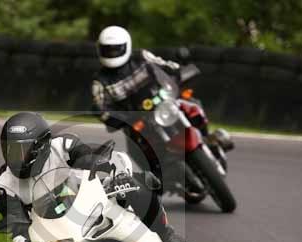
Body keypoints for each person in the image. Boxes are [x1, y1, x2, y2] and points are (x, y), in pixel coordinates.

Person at [0, 112, 195, 242]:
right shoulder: (3, 186)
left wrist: (111, 171)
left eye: (21, 150)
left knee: (138, 185)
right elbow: (16, 225)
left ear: (41, 145)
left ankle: (167, 237)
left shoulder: (63, 145)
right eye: (9, 150)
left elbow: (93, 156)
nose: (15, 157)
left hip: (90, 202)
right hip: (57, 234)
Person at [91, 26, 234, 176]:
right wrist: (111, 116)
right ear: (100, 50)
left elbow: (163, 64)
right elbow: (99, 106)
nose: (112, 53)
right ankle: (159, 176)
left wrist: (178, 71)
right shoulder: (100, 80)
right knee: (137, 149)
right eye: (107, 50)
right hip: (135, 120)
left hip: (162, 102)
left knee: (191, 105)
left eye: (116, 49)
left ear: (127, 46)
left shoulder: (141, 56)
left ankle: (208, 138)